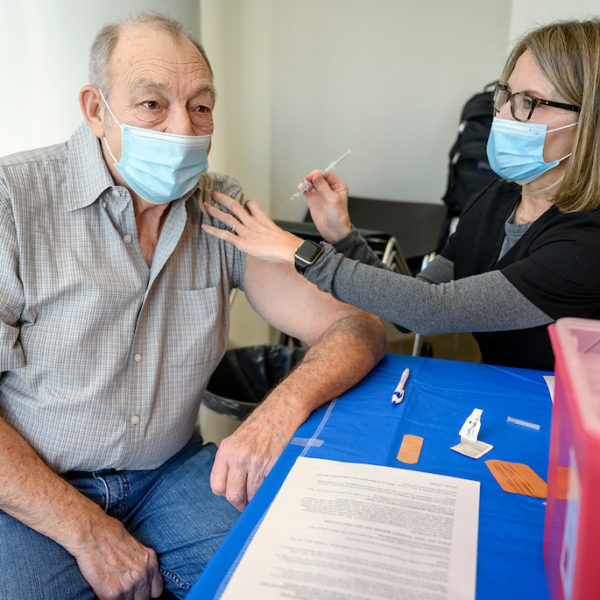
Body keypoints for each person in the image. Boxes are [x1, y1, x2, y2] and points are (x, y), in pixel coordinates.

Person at [0, 14, 386, 600]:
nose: (183, 130)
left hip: (171, 474)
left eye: (200, 108)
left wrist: (275, 414)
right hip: (36, 485)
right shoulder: (14, 202)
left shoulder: (220, 208)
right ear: (96, 110)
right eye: (153, 104)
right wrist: (85, 530)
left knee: (283, 582)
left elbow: (355, 326)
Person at [203, 19, 600, 372]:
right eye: (507, 95)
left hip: (566, 422)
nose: (505, 116)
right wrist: (343, 236)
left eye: (530, 102)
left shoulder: (585, 244)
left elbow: (432, 310)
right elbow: (413, 306)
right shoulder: (498, 200)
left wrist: (299, 251)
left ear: (589, 122)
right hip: (503, 390)